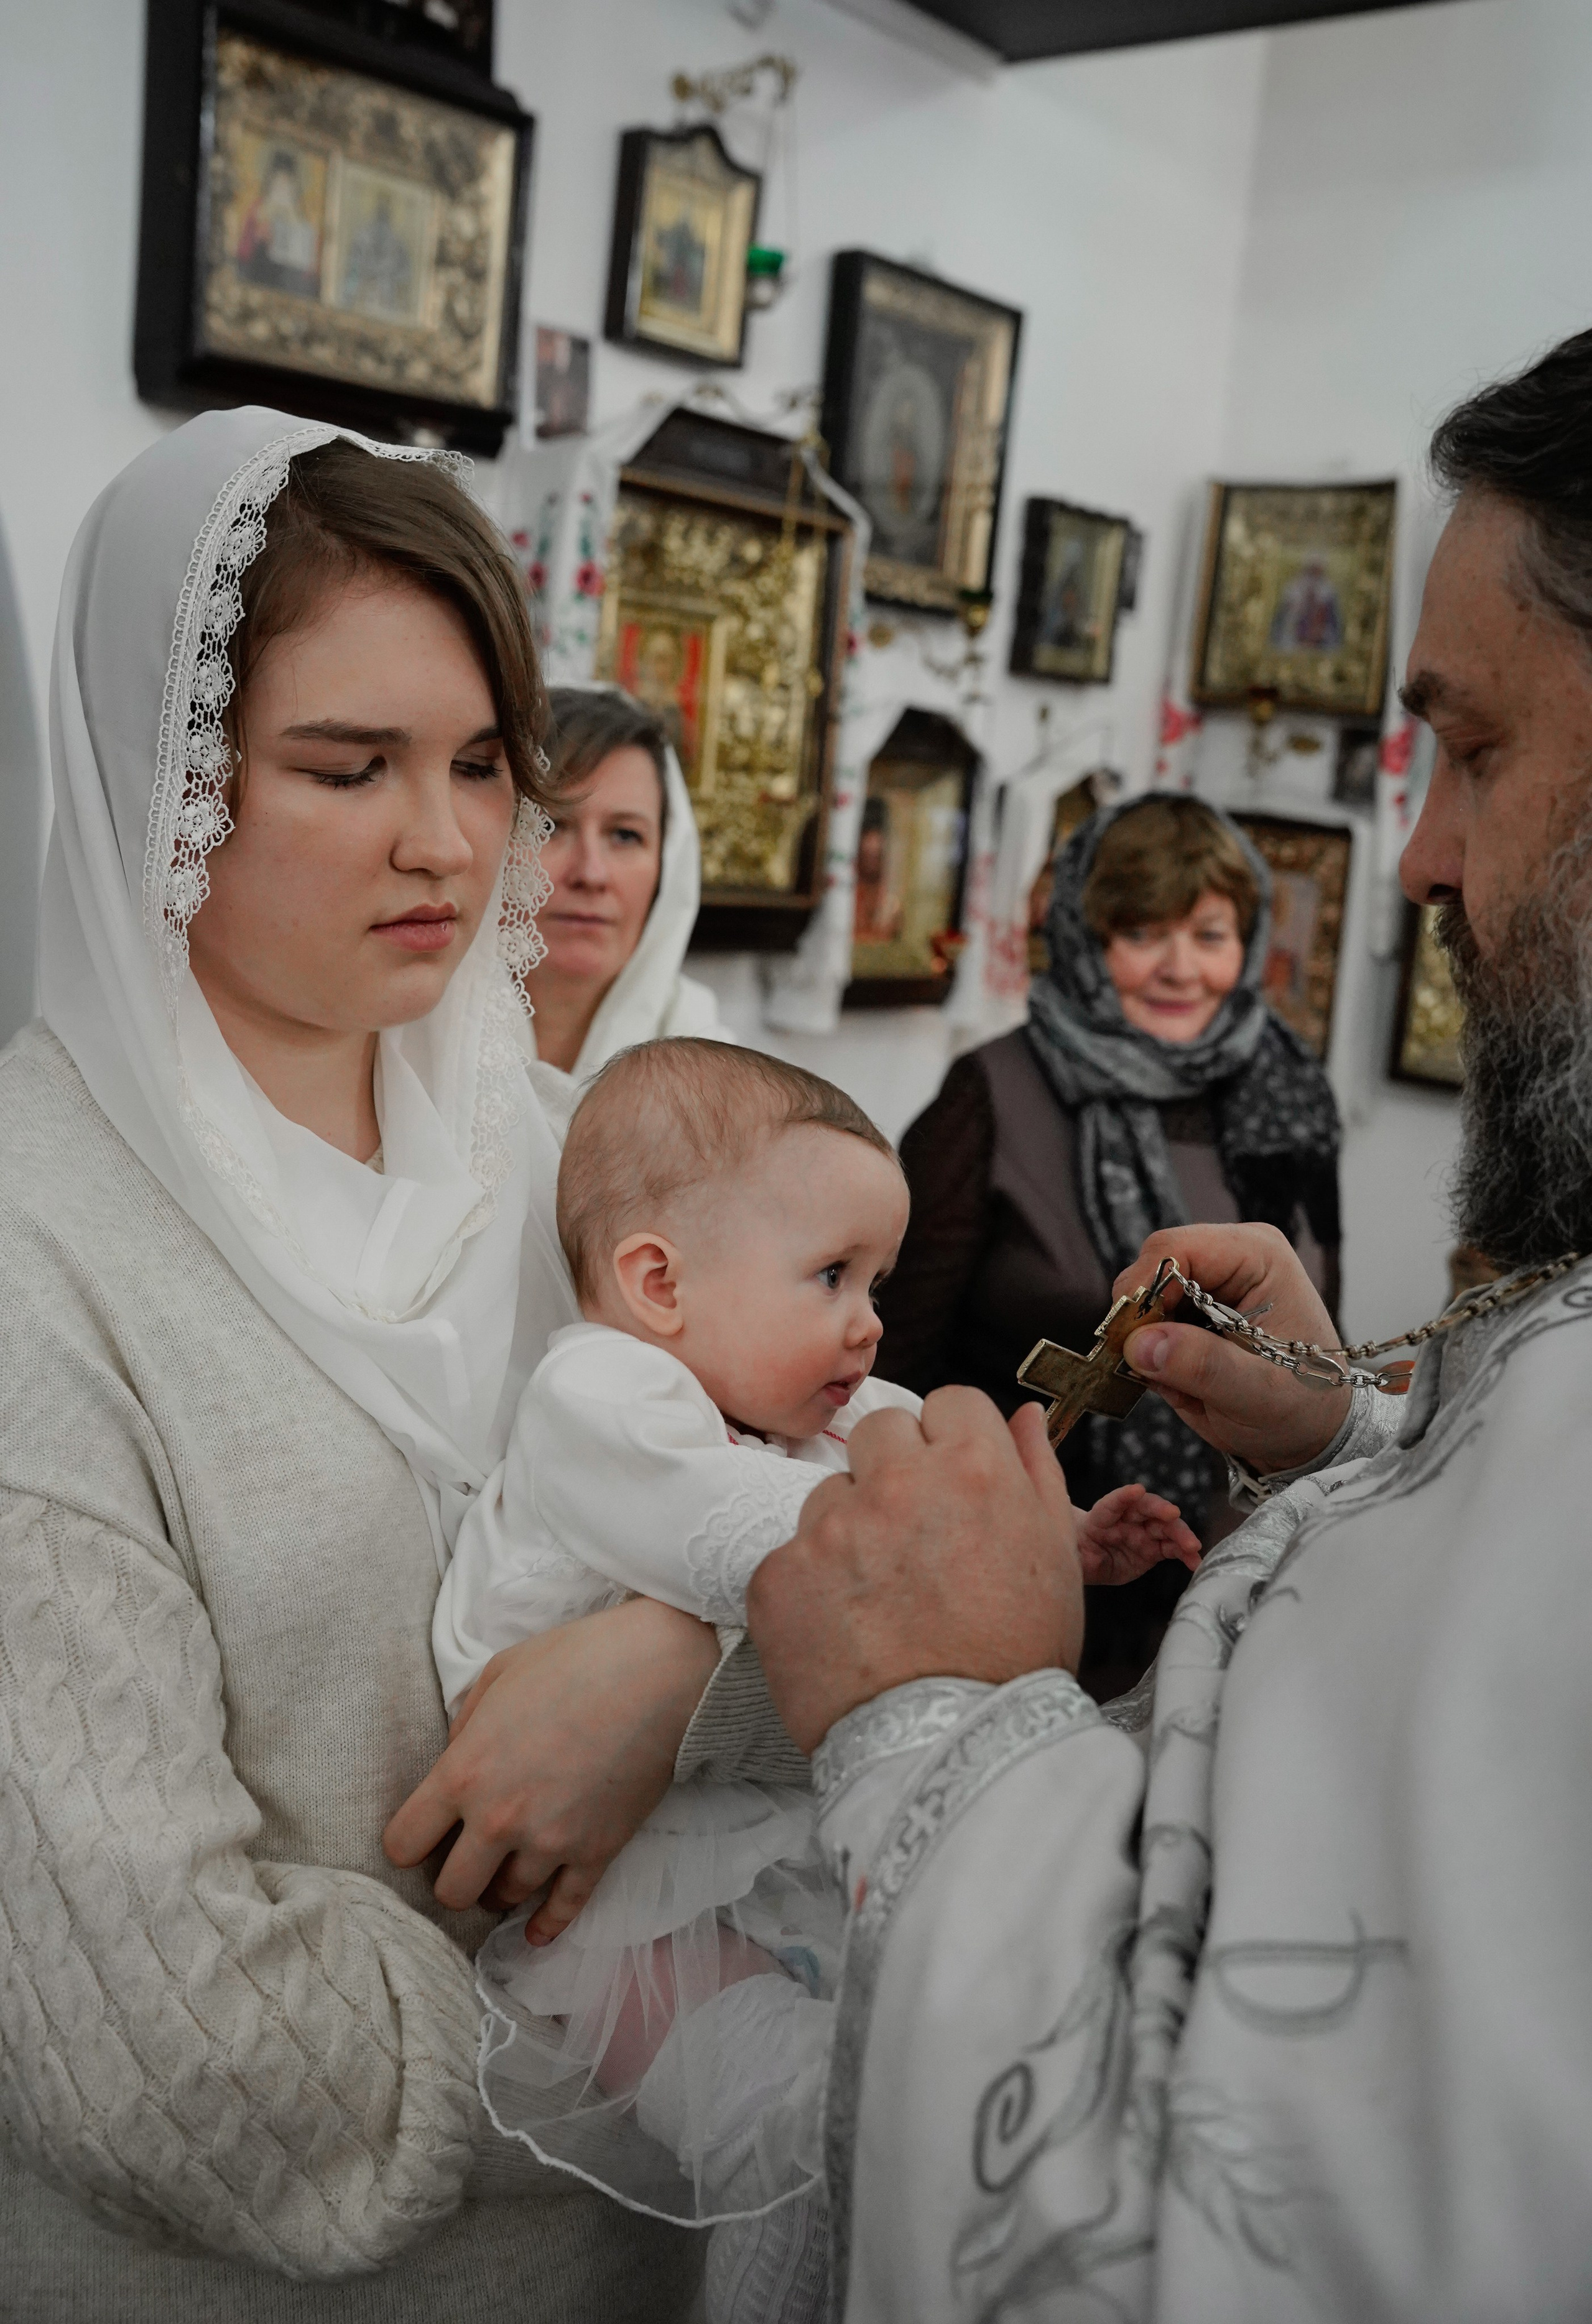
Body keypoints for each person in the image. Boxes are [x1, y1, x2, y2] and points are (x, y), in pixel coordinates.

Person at [742, 326, 1592, 2321]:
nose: (1424, 861)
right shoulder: (985, 1100)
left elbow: (1277, 2238)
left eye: (1474, 749)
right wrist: (1354, 1438)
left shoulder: (1265, 1087)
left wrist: (940, 1727)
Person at [0, 408, 794, 2320]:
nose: (446, 841)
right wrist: (719, 2064)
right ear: (162, 775)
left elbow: (840, 1582)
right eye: (345, 768)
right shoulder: (42, 1253)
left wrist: (670, 1658)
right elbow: (173, 2057)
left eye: (476, 764)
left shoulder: (577, 1162)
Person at [431, 1040, 1195, 2322]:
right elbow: (743, 1530)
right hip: (617, 1918)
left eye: (878, 1280)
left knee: (870, 2112)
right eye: (831, 1275)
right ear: (657, 1282)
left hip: (748, 1863)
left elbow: (906, 1528)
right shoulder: (601, 1394)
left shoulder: (805, 1411)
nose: (869, 1320)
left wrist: (1055, 1546)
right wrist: (947, 1544)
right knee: (789, 2139)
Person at [875, 791, 1340, 1694]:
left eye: (1209, 935)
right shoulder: (989, 1096)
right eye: (1142, 933)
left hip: (1224, 1575)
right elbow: (891, 1358)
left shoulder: (1288, 1101)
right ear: (1089, 942)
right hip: (1010, 1568)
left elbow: (1323, 1344)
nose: (1180, 968)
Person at [521, 685, 725, 1086]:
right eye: (551, 828)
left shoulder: (715, 1078)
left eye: (626, 836)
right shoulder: (404, 1057)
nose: (591, 874)